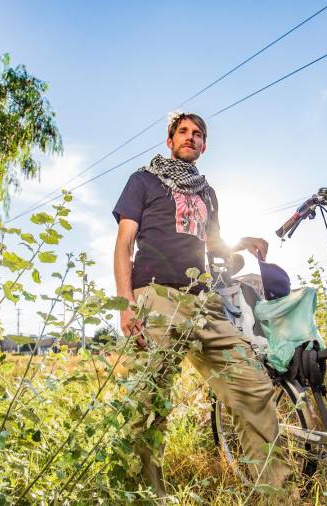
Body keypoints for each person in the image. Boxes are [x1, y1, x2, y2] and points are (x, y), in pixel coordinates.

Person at [112, 111, 291, 497]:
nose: (190, 137)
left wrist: (243, 242)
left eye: (197, 134)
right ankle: (144, 498)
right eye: (183, 131)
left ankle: (275, 495)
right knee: (146, 406)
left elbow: (212, 244)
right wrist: (126, 303)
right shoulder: (143, 180)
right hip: (156, 297)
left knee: (254, 387)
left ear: (204, 146)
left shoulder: (207, 193)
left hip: (204, 303)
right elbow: (124, 243)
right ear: (170, 140)